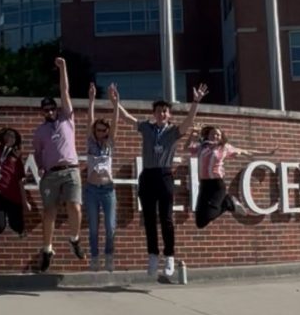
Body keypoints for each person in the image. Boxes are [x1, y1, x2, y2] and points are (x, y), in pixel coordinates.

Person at [117, 83, 207, 280]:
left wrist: (195, 102)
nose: (161, 114)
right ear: (154, 113)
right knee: (148, 218)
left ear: (169, 115)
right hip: (147, 176)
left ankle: (169, 256)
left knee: (166, 218)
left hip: (165, 175)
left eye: (165, 111)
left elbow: (189, 121)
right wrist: (116, 102)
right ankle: (152, 255)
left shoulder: (173, 131)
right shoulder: (146, 128)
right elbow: (126, 118)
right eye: (158, 111)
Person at [31, 57, 85, 272]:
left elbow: (65, 91)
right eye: (46, 110)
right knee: (49, 212)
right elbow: (37, 153)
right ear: (42, 112)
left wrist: (63, 68)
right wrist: (41, 166)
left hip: (71, 169)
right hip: (51, 174)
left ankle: (74, 238)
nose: (50, 112)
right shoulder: (40, 132)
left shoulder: (67, 120)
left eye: (52, 109)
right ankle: (47, 249)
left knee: (74, 206)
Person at [190, 125, 267, 228]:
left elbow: (246, 152)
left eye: (218, 134)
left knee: (210, 215)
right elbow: (187, 148)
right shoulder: (202, 146)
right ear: (208, 135)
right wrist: (193, 133)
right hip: (204, 185)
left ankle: (228, 202)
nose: (215, 136)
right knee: (200, 222)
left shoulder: (224, 147)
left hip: (216, 185)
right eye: (213, 134)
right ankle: (228, 203)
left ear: (221, 137)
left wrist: (267, 153)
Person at [0, 93, 30, 243]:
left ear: (16, 141)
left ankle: (21, 230)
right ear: (3, 137)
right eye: (7, 136)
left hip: (13, 195)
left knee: (17, 225)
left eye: (13, 137)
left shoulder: (16, 158)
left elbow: (20, 182)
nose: (10, 139)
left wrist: (25, 202)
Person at [84, 82, 120, 272]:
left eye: (104, 131)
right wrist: (91, 100)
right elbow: (90, 120)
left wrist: (115, 103)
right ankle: (95, 257)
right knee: (93, 227)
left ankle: (109, 255)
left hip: (107, 189)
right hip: (91, 189)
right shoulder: (90, 142)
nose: (101, 133)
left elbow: (115, 123)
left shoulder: (109, 144)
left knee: (110, 226)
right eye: (98, 130)